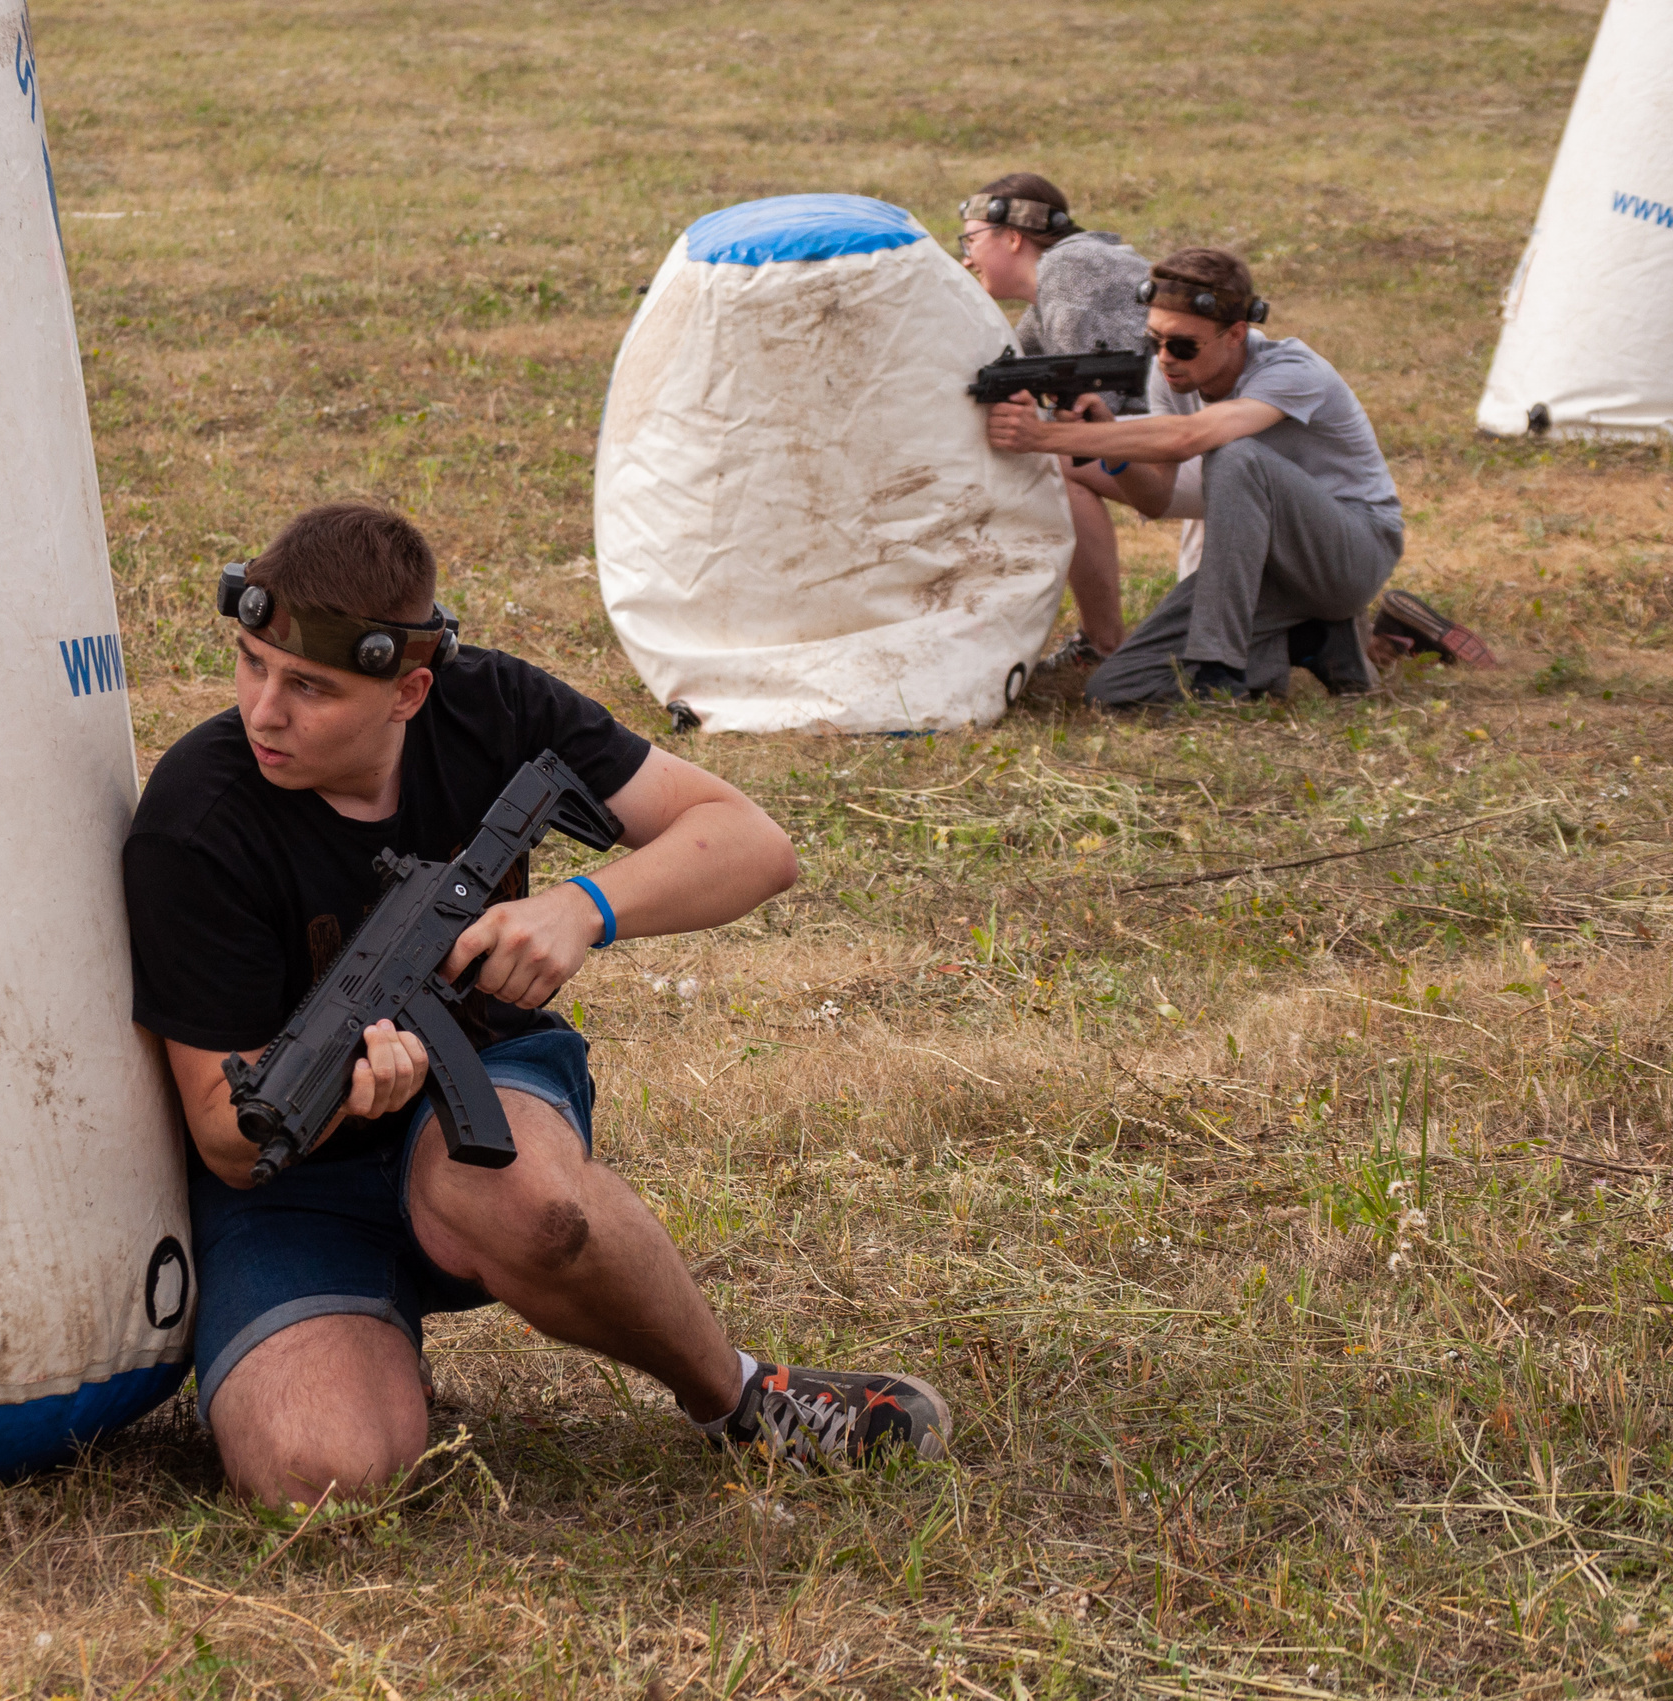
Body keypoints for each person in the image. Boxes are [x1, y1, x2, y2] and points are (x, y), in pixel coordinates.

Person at [122, 502, 952, 1506]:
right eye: (251, 664)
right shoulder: (197, 820)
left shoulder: (492, 711)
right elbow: (225, 1138)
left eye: (310, 687)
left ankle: (735, 1399)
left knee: (534, 1207)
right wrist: (348, 1090)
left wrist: (582, 906)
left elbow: (749, 845)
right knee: (322, 1476)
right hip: (286, 1182)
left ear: (408, 691)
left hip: (477, 1085)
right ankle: (363, 1336)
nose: (263, 710)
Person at [983, 248, 1401, 705]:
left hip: (1350, 554)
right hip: (1258, 570)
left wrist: (1041, 438)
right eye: (1154, 342)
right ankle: (1315, 642)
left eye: (1183, 345)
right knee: (1114, 691)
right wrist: (1104, 438)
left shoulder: (1295, 371)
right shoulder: (1172, 376)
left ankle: (1221, 667)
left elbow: (1190, 438)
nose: (1164, 358)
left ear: (1236, 334)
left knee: (1235, 456)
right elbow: (1156, 497)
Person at [958, 173, 1155, 664]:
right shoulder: (1055, 289)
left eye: (970, 239)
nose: (965, 257)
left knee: (1054, 465)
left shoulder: (1070, 267)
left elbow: (1098, 408)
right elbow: (1008, 369)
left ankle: (1103, 644)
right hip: (1167, 430)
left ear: (1012, 235)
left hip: (1178, 438)